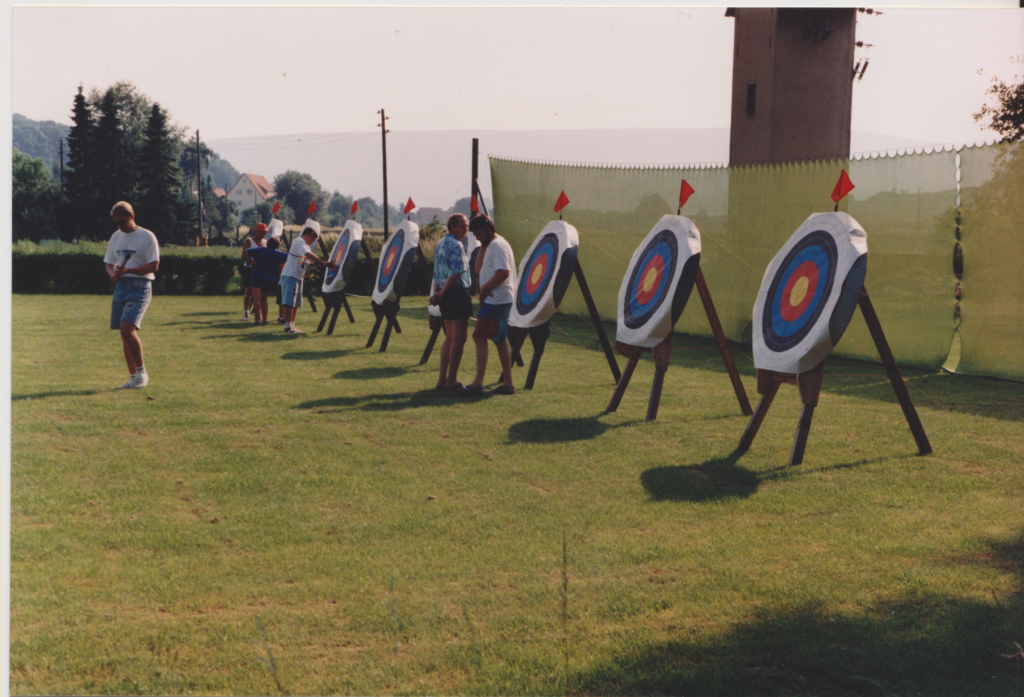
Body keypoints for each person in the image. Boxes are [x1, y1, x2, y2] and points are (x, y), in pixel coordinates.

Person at [103, 201, 159, 389]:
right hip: (121, 286)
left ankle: (142, 373)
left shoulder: (146, 236)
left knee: (127, 329)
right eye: (116, 222)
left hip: (140, 285)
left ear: (131, 216)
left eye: (122, 222)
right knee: (124, 333)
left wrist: (128, 270)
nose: (120, 226)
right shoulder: (116, 237)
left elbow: (154, 265)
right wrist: (112, 274)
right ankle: (134, 378)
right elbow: (109, 263)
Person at [461, 214, 516, 395]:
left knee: (478, 336)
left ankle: (478, 383)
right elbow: (478, 270)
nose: (476, 237)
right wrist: (482, 245)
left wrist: (484, 289)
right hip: (497, 299)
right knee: (500, 340)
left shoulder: (497, 245)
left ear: (488, 229)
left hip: (496, 299)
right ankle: (507, 383)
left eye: (478, 234)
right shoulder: (490, 245)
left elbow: (503, 272)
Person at [429, 214, 474, 390]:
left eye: (467, 226)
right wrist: (440, 294)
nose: (466, 230)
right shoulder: (456, 245)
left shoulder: (441, 243)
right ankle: (452, 381)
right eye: (463, 226)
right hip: (455, 293)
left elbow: (436, 275)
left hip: (444, 293)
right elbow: (455, 274)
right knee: (459, 338)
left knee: (450, 337)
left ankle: (442, 380)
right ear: (453, 226)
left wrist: (437, 293)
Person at [280, 222, 335, 334]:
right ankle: (287, 327)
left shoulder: (305, 245)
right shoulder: (300, 241)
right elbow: (307, 254)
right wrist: (323, 262)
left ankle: (292, 326)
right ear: (305, 234)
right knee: (290, 302)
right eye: (312, 237)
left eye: (314, 239)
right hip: (290, 275)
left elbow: (310, 259)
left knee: (295, 303)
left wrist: (319, 263)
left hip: (297, 277)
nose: (313, 240)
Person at [243, 236, 287, 325]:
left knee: (256, 298)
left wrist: (250, 261)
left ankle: (257, 320)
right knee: (264, 299)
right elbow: (290, 258)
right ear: (278, 245)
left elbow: (245, 251)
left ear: (267, 243)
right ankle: (265, 320)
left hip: (257, 276)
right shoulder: (279, 253)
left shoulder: (260, 250)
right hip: (269, 279)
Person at [240, 223, 268, 320]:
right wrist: (251, 261)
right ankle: (246, 311)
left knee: (259, 293)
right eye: (263, 232)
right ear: (257, 232)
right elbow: (243, 256)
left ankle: (258, 312)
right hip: (249, 269)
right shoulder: (249, 241)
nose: (265, 234)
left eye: (265, 233)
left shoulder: (265, 242)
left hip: (260, 270)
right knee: (248, 292)